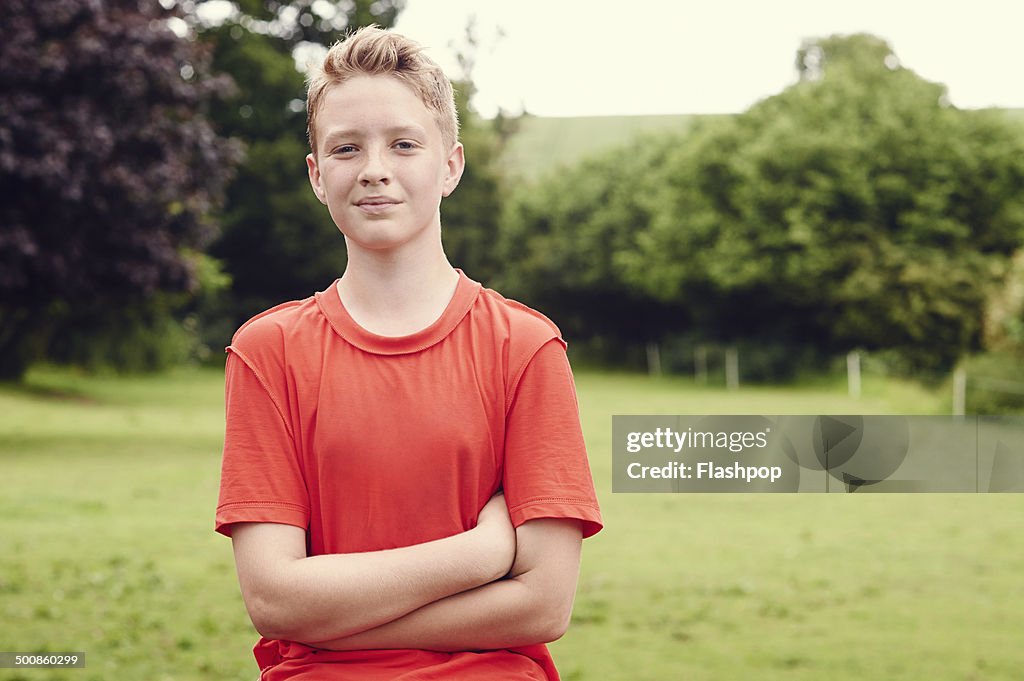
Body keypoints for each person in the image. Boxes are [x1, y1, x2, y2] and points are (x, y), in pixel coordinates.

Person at [215, 25, 602, 681]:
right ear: (316, 175)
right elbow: (274, 599)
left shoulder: (526, 347)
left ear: (449, 165)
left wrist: (337, 623)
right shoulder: (266, 351)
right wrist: (481, 552)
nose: (374, 168)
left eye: (402, 143)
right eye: (345, 148)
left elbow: (543, 604)